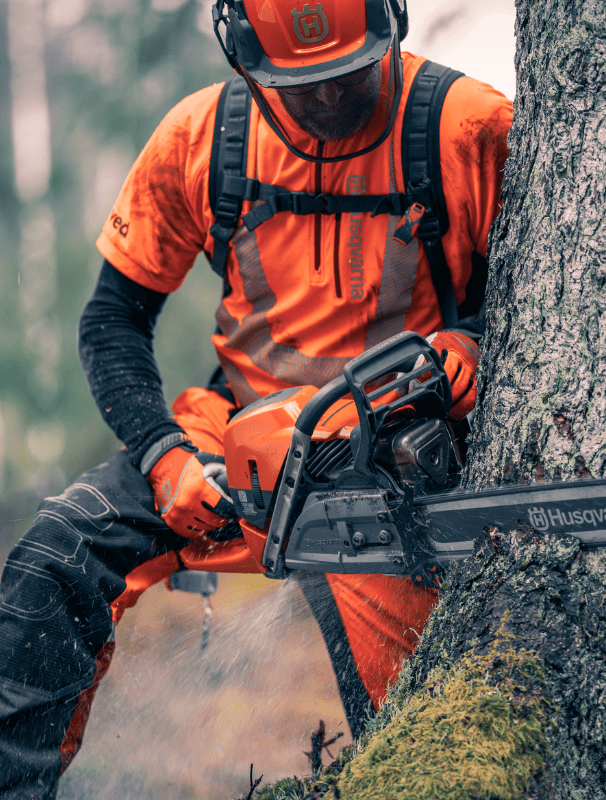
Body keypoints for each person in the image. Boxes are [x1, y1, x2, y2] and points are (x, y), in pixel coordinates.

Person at [0, 0, 511, 794]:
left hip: (387, 454)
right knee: (57, 555)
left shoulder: (467, 128)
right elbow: (113, 319)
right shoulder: (203, 139)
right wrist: (165, 454)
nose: (328, 101)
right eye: (301, 88)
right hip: (235, 433)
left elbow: (544, 292)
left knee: (418, 720)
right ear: (242, 56)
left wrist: (469, 348)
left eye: (345, 77)